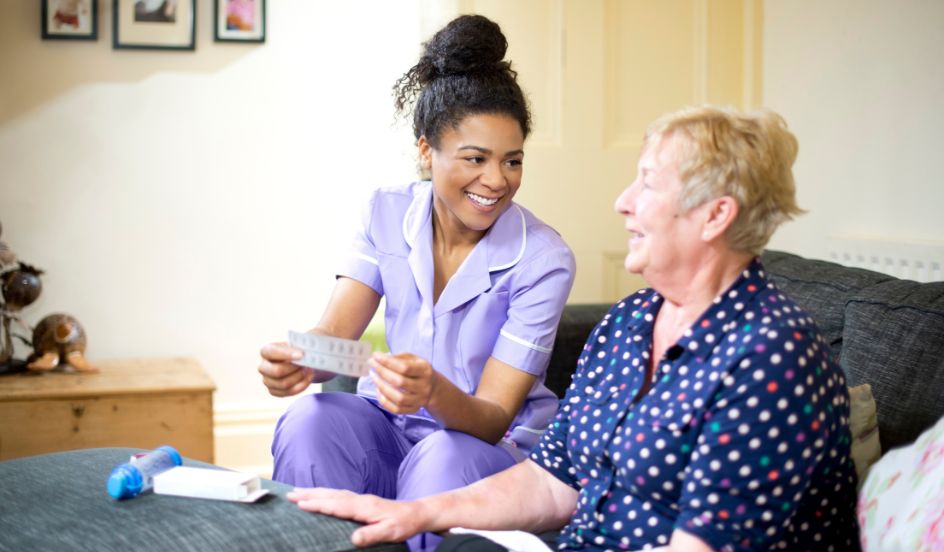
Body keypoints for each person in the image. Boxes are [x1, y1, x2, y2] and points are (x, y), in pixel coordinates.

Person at [286, 106, 862, 551]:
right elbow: (550, 482)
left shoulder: (772, 357)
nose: (622, 202)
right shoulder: (630, 324)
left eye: (649, 184)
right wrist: (417, 514)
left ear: (716, 215)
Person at [257, 14, 575, 552]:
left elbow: (493, 418)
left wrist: (433, 391)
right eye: (475, 158)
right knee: (312, 418)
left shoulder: (544, 259)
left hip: (483, 449)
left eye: (512, 161)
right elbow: (335, 335)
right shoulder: (386, 210)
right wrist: (303, 361)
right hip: (390, 427)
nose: (497, 180)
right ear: (427, 151)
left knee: (442, 457)